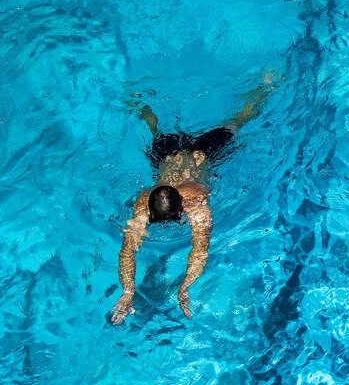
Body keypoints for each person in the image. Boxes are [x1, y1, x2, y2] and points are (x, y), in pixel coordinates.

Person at [109, 73, 277, 324]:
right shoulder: (187, 203)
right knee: (235, 121)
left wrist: (179, 287)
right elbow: (200, 247)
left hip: (197, 152)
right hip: (191, 156)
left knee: (164, 129)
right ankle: (266, 85)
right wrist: (133, 292)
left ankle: (138, 101)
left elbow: (128, 250)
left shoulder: (164, 202)